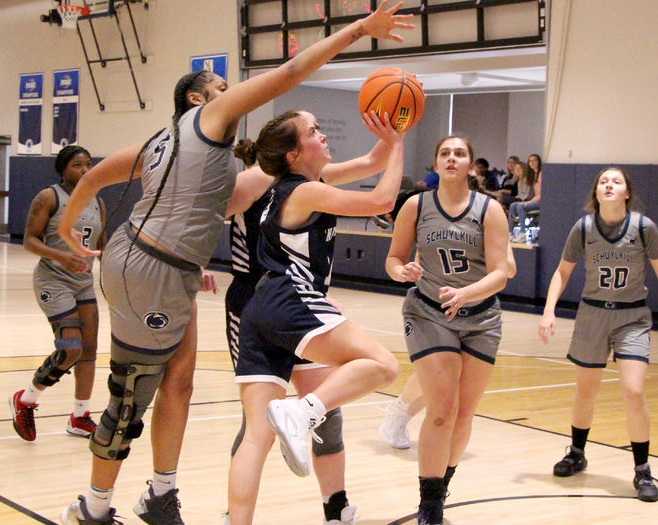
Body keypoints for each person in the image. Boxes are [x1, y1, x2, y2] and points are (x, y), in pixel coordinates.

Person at [57, 3, 413, 524]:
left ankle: (163, 495)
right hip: (212, 282)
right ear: (198, 100)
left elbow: (94, 178)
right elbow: (291, 74)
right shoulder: (214, 133)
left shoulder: (179, 147)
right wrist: (361, 29)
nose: (234, 93)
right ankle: (93, 506)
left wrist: (75, 226)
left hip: (173, 267)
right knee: (140, 391)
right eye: (222, 87)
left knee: (181, 384)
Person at [227, 108, 405, 525]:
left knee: (257, 434)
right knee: (384, 365)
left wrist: (395, 128)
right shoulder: (302, 191)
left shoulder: (297, 187)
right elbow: (381, 200)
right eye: (314, 131)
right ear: (293, 154)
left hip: (261, 309)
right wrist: (399, 145)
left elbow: (373, 162)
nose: (323, 135)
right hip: (290, 298)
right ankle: (301, 412)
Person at [384, 136, 510, 525]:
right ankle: (430, 504)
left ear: (472, 166)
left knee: (464, 413)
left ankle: (442, 484)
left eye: (460, 154)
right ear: (435, 163)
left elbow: (501, 273)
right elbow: (393, 258)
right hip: (428, 312)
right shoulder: (415, 205)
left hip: (481, 316)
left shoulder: (489, 209)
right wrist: (400, 271)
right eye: (445, 153)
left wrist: (467, 293)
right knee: (442, 410)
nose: (452, 159)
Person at [539, 167, 658, 503]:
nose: (609, 185)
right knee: (585, 392)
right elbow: (562, 271)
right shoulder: (584, 227)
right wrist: (548, 310)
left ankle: (642, 470)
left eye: (616, 181)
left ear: (627, 192)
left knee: (633, 391)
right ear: (596, 192)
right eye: (603, 181)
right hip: (592, 314)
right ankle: (576, 452)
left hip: (632, 316)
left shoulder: (644, 228)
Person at [9, 145, 106, 442]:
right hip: (53, 281)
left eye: (89, 164)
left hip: (83, 284)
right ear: (63, 169)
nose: (85, 170)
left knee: (89, 351)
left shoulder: (97, 202)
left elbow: (102, 245)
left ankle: (80, 416)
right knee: (71, 348)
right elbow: (28, 241)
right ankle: (25, 399)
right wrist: (61, 256)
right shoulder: (49, 197)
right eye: (78, 165)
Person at [379, 243, 516, 451]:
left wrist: (483, 255)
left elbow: (511, 270)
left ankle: (401, 413)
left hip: (476, 311)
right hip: (437, 306)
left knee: (452, 384)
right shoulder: (439, 224)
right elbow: (419, 261)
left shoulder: (491, 225)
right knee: (437, 375)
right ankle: (399, 411)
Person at [508, 160, 541, 242]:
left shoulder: (538, 177)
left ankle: (522, 233)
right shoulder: (524, 180)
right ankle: (510, 233)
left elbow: (537, 195)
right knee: (512, 205)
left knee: (520, 206)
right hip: (532, 200)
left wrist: (527, 202)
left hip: (538, 201)